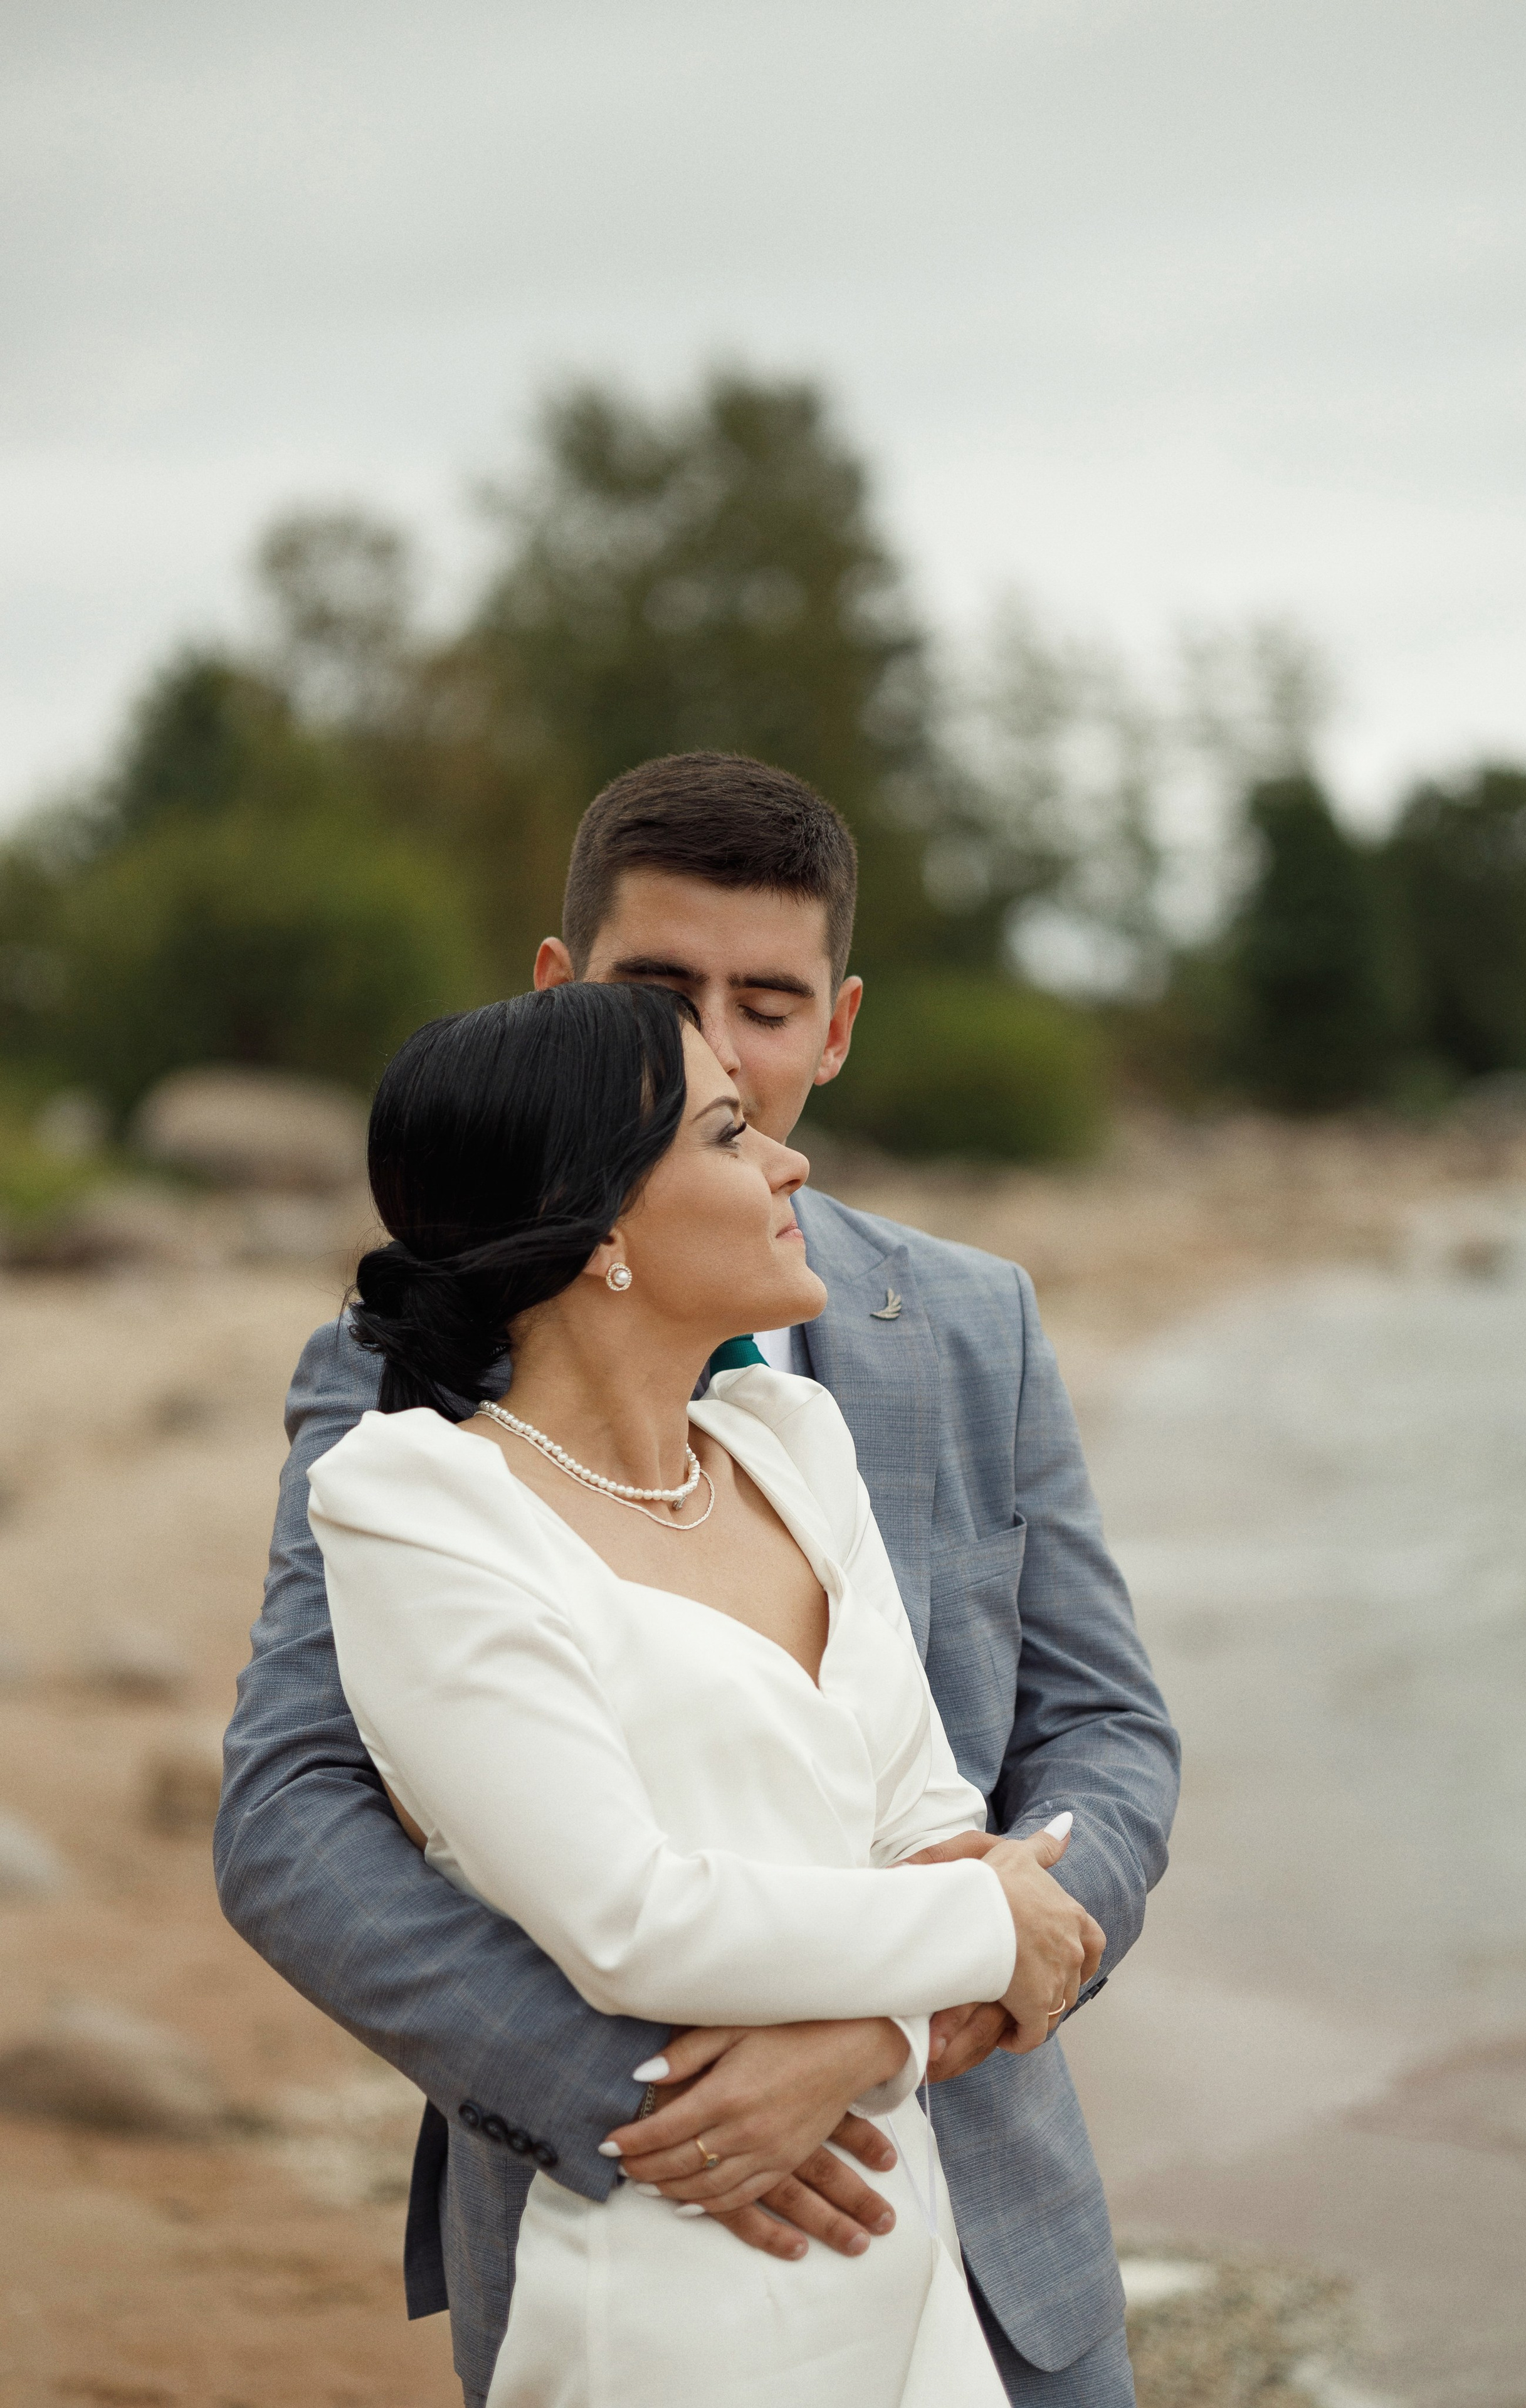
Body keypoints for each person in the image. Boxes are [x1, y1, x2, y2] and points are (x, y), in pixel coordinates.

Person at [216, 752, 1180, 2408]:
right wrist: (658, 2105)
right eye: (663, 991)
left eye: (770, 1005)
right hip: (652, 2209)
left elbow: (1100, 1736)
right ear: (558, 993)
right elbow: (293, 1814)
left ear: (839, 1025)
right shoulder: (393, 1392)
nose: (723, 1048)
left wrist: (910, 2023)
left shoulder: (956, 1331)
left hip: (995, 2230)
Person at [312, 978, 1093, 2404]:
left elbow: (926, 1820)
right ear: (600, 1222)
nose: (791, 1162)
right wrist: (994, 1916)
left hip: (887, 2218)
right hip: (679, 2284)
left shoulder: (790, 1443)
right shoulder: (422, 1507)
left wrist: (891, 2027)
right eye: (729, 1135)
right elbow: (632, 1920)